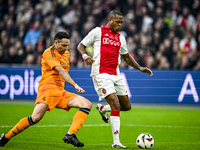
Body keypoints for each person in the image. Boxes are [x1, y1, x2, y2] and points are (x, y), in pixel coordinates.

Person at [0, 31, 92, 147]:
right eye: (63, 45)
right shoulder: (49, 53)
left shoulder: (67, 54)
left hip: (60, 91)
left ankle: (70, 134)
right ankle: (6, 136)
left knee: (86, 104)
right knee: (35, 118)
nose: (66, 48)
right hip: (48, 89)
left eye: (67, 45)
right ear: (55, 42)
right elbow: (61, 71)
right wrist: (75, 85)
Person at [77, 10, 153, 149]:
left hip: (116, 74)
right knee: (115, 103)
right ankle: (116, 142)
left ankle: (103, 109)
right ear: (110, 20)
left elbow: (126, 57)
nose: (120, 24)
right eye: (117, 22)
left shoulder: (121, 38)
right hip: (100, 73)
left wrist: (140, 68)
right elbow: (80, 45)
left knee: (126, 106)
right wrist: (84, 56)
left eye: (121, 22)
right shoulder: (97, 32)